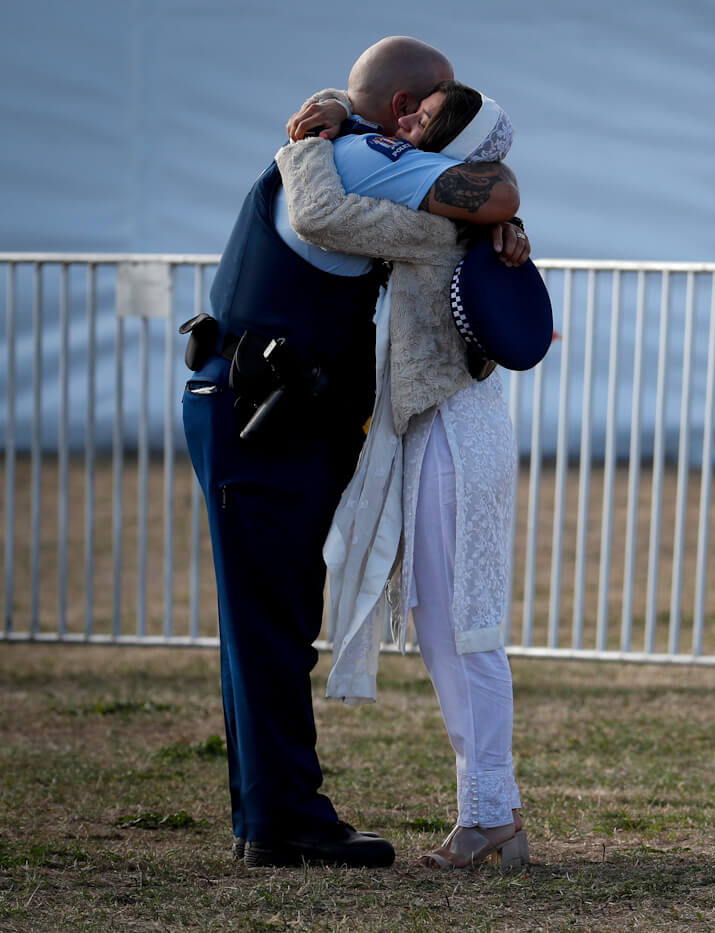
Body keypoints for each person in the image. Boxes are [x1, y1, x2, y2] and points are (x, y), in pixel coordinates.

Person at [182, 36, 521, 869]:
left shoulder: (349, 147)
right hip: (269, 411)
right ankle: (284, 818)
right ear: (410, 107)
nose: (426, 123)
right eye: (436, 100)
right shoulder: (362, 155)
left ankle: (273, 811)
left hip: (260, 402)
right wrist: (495, 216)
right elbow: (488, 190)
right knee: (272, 623)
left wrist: (326, 118)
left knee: (266, 620)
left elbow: (492, 193)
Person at [277, 80, 529, 870]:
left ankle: (493, 814)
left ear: (452, 139)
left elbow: (319, 212)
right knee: (449, 627)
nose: (404, 122)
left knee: (465, 628)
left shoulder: (432, 222)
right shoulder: (467, 215)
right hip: (453, 428)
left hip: (455, 430)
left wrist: (307, 145)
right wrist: (339, 113)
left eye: (422, 118)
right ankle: (489, 811)